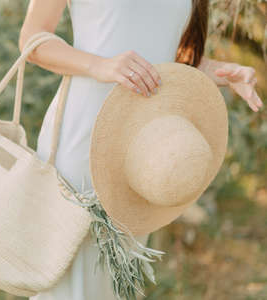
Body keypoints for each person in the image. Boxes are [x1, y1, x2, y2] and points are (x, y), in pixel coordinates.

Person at [18, 0, 264, 299]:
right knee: (70, 287)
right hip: (84, 139)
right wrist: (101, 64)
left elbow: (164, 57)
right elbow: (32, 39)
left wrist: (223, 71)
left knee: (111, 288)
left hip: (143, 154)